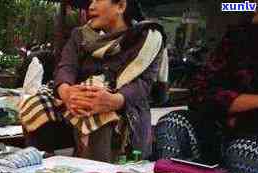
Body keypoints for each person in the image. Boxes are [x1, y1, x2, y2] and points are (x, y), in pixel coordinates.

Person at [20, 0, 165, 163]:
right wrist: (66, 92)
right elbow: (65, 67)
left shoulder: (147, 38)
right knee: (35, 102)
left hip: (125, 108)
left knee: (98, 109)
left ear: (121, 6)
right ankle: (40, 164)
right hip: (77, 100)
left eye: (98, 0)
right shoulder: (80, 35)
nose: (91, 6)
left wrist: (114, 100)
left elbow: (144, 84)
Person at [154, 5, 258, 173]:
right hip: (215, 129)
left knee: (243, 154)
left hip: (252, 138)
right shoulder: (237, 34)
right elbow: (200, 92)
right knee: (172, 124)